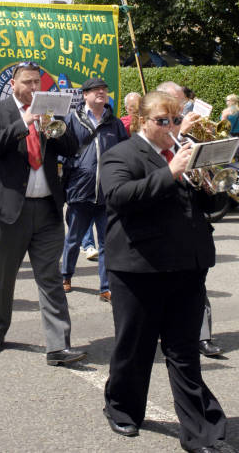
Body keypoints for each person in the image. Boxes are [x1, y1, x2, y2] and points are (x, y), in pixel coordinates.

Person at [100, 91, 226, 452]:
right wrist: (171, 173)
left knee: (183, 350)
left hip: (187, 265)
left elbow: (208, 204)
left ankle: (201, 431)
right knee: (134, 348)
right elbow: (120, 196)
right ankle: (122, 408)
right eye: (162, 121)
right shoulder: (120, 154)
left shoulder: (185, 152)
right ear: (142, 122)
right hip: (139, 268)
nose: (172, 127)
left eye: (175, 119)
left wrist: (211, 182)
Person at [0, 61, 85, 366]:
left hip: (47, 208)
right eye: (28, 82)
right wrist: (23, 123)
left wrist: (52, 129)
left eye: (38, 82)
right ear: (13, 84)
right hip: (9, 210)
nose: (34, 88)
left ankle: (58, 345)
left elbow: (72, 146)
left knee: (50, 277)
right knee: (1, 276)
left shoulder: (49, 111)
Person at [157, 80, 223, 357]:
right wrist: (178, 133)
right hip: (161, 223)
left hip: (194, 221)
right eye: (177, 106)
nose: (183, 111)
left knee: (197, 283)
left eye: (183, 105)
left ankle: (202, 336)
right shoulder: (149, 133)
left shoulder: (195, 131)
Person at [61, 78, 128, 301]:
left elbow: (124, 153)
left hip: (108, 192)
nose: (101, 92)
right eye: (96, 90)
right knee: (73, 239)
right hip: (81, 190)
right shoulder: (72, 119)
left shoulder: (115, 123)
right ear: (85, 95)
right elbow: (63, 152)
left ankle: (105, 287)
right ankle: (66, 275)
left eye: (104, 89)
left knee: (107, 243)